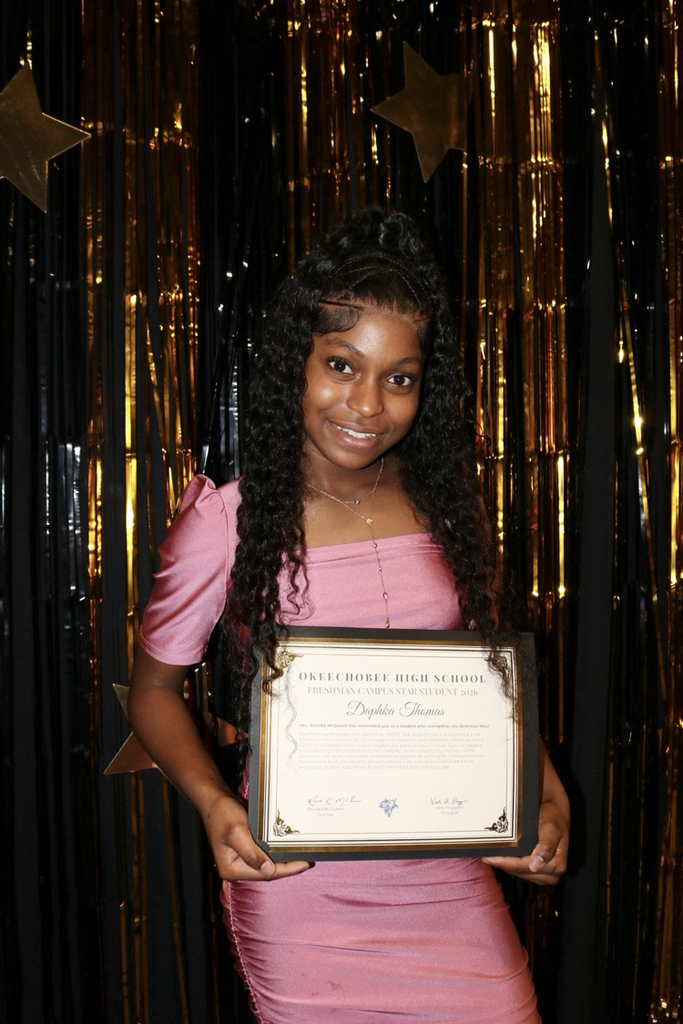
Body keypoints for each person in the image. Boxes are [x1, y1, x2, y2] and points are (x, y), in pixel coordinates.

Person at [128, 207, 569, 1023]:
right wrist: (216, 806)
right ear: (295, 362)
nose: (366, 403)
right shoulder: (227, 520)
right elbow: (152, 689)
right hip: (302, 894)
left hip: (449, 874)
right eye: (340, 364)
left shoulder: (446, 511)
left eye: (398, 377)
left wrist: (543, 800)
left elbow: (487, 690)